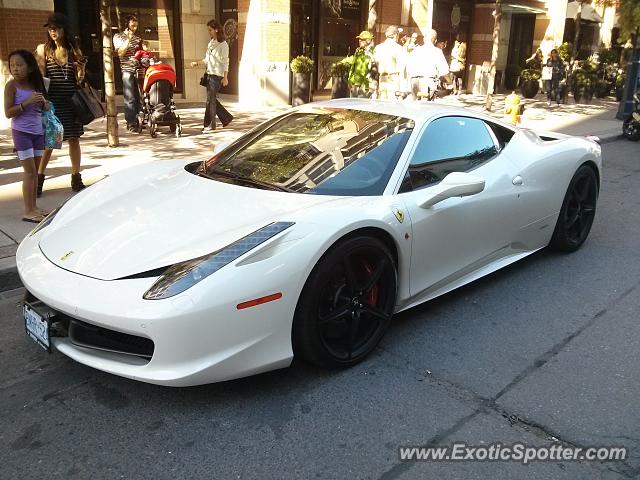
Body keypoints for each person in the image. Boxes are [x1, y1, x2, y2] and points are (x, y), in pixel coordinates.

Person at [35, 12, 87, 194]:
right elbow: (41, 78)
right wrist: (43, 101)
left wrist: (80, 70)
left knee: (74, 139)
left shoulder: (74, 51)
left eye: (56, 27)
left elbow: (79, 80)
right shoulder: (43, 50)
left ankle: (76, 177)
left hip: (72, 102)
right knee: (51, 142)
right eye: (50, 28)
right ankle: (39, 179)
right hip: (53, 103)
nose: (52, 31)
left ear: (64, 29)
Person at [4, 50, 50, 222]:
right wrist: (26, 103)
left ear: (30, 68)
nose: (15, 69)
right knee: (29, 172)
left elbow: (45, 109)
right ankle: (28, 210)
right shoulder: (11, 86)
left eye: (19, 65)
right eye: (12, 65)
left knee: (35, 172)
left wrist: (44, 104)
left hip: (38, 132)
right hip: (21, 132)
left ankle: (34, 207)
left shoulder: (38, 84)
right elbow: (8, 113)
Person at [190, 19, 233, 133]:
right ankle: (226, 118)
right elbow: (207, 59)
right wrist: (197, 63)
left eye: (210, 30)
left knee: (210, 101)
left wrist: (225, 77)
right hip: (209, 74)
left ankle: (209, 124)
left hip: (217, 75)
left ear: (216, 30)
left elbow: (226, 62)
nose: (208, 32)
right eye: (208, 30)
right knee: (211, 99)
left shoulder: (223, 45)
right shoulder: (211, 43)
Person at [113, 14, 143, 132]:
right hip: (126, 69)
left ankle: (138, 119)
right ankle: (131, 122)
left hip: (138, 70)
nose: (135, 28)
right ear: (127, 25)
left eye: (136, 26)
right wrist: (128, 39)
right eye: (132, 26)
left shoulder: (138, 38)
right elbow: (120, 53)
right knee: (129, 97)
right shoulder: (118, 36)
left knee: (139, 97)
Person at [407, 29, 449, 100]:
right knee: (427, 107)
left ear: (424, 39)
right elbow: (444, 71)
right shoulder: (437, 52)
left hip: (414, 82)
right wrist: (449, 81)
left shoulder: (416, 50)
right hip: (428, 82)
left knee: (414, 105)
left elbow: (408, 68)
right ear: (435, 41)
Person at [374, 25, 406, 99]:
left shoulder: (378, 48)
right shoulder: (399, 49)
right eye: (398, 34)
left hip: (381, 80)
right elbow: (402, 68)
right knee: (392, 106)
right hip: (393, 80)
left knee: (381, 105)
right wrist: (403, 89)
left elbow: (374, 65)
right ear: (395, 35)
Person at [348, 31, 375, 98]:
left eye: (362, 39)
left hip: (365, 85)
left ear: (368, 41)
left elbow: (373, 69)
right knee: (352, 105)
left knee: (362, 105)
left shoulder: (373, 52)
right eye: (359, 39)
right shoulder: (358, 50)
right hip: (355, 83)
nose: (359, 41)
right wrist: (350, 79)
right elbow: (353, 65)